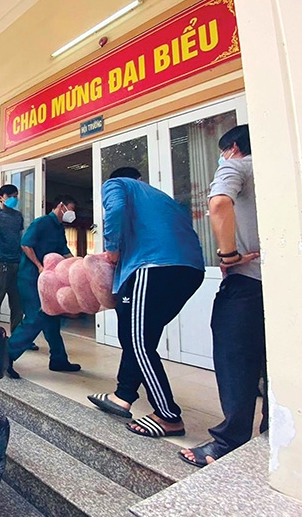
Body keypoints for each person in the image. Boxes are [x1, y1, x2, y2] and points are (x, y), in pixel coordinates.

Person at [88, 167, 205, 439]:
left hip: (153, 265)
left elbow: (115, 211)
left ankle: (168, 415)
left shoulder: (116, 184)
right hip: (190, 269)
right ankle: (122, 396)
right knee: (141, 336)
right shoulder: (160, 197)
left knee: (137, 340)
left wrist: (112, 249)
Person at [180, 125, 266, 466]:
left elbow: (218, 204)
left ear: (232, 147)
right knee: (271, 361)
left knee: (236, 360)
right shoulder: (279, 169)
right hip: (281, 284)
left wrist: (228, 254)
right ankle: (274, 431)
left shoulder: (237, 166)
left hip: (246, 280)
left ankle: (229, 441)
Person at [6, 195, 81, 376]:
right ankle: (4, 357)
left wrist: (81, 265)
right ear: (61, 206)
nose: (72, 214)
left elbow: (64, 252)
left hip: (47, 281)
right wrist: (39, 266)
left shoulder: (59, 228)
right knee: (35, 317)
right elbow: (26, 244)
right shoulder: (42, 223)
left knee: (52, 318)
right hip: (30, 278)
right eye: (71, 209)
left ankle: (58, 360)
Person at [0, 184, 25, 332]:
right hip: (0, 263)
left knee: (17, 304)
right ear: (1, 198)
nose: (13, 199)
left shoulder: (18, 216)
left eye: (15, 196)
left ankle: (17, 337)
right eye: (10, 196)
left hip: (16, 263)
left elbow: (19, 236)